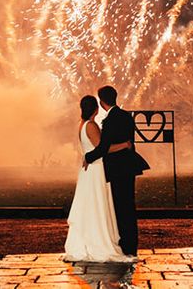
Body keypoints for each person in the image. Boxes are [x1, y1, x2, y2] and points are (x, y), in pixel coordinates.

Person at [64, 94, 136, 262]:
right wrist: (124, 145)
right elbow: (103, 149)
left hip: (89, 172)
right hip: (95, 170)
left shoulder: (82, 124)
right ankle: (98, 242)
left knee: (90, 206)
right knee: (97, 205)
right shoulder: (91, 126)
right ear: (95, 109)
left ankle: (90, 240)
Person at [84, 85, 149, 256]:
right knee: (129, 204)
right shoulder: (126, 116)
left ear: (101, 101)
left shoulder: (110, 120)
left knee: (121, 206)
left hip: (118, 168)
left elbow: (104, 147)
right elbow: (129, 141)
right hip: (129, 166)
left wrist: (88, 157)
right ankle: (131, 241)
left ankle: (126, 243)